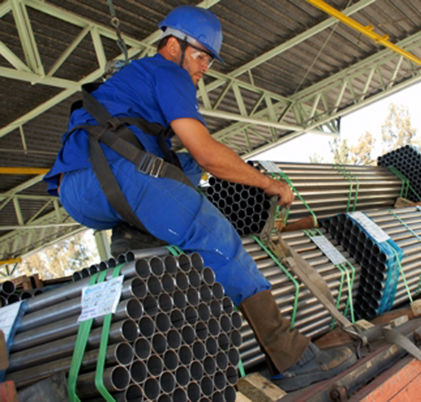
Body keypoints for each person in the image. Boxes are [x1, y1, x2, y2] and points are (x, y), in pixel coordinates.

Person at [44, 5, 356, 391]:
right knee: (217, 237)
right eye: (200, 55)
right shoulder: (169, 73)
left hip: (78, 191)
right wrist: (266, 183)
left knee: (183, 169)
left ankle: (136, 239)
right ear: (173, 44)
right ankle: (293, 358)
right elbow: (207, 151)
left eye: (209, 59)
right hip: (115, 173)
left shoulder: (133, 77)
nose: (204, 67)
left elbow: (194, 163)